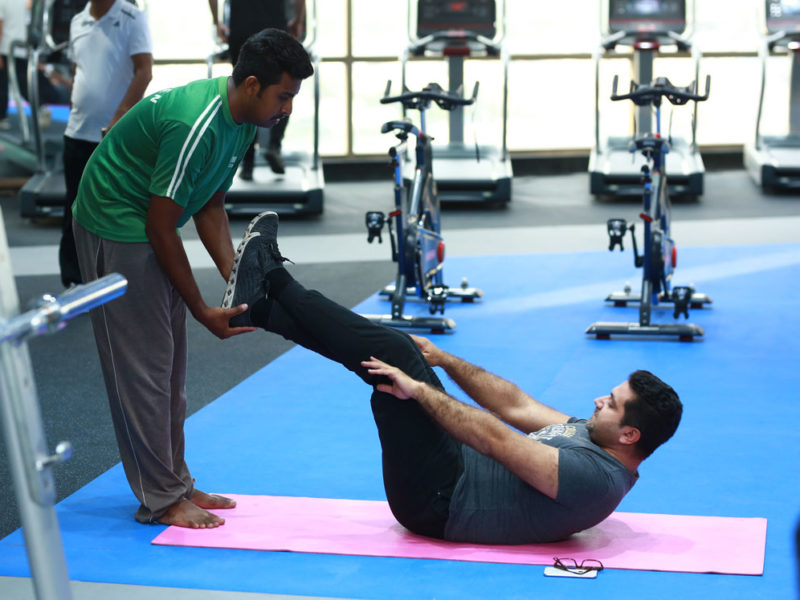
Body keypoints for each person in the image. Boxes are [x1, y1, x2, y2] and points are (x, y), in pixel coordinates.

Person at [222, 210, 684, 544]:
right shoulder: (596, 436)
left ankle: (273, 278)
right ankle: (259, 309)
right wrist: (444, 360)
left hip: (438, 501)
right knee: (396, 359)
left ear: (630, 434)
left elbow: (496, 439)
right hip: (451, 464)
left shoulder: (596, 480)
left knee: (394, 355)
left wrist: (421, 389)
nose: (599, 400)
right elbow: (517, 405)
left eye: (611, 402)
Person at [71, 29, 314, 529]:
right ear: (252, 85)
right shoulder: (195, 125)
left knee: (170, 370)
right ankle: (161, 498)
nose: (287, 108)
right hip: (115, 219)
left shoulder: (243, 122)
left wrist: (236, 279)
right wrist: (203, 309)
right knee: (144, 371)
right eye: (283, 96)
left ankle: (176, 482)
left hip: (149, 219)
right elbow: (160, 228)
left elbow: (210, 205)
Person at [58, 0, 153, 288]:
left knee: (115, 212)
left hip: (114, 137)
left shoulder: (132, 17)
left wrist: (118, 117)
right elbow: (79, 69)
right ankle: (74, 281)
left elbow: (144, 71)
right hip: (77, 131)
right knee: (74, 208)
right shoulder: (78, 21)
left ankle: (117, 278)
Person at [208, 0, 306, 179]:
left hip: (241, 27)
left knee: (246, 91)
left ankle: (247, 160)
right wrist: (297, 21)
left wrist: (217, 22)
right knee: (282, 89)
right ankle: (274, 145)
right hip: (275, 26)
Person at [0, 0, 26, 129]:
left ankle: (2, 117)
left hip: (6, 49)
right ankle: (40, 106)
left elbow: (0, 27)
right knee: (22, 83)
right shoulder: (23, 3)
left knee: (2, 85)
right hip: (21, 49)